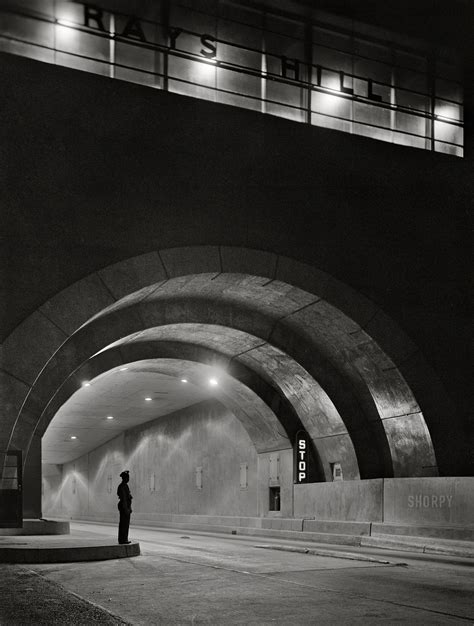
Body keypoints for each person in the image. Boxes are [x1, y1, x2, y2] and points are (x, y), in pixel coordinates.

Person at [117, 470, 133, 544]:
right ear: (124, 478)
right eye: (127, 477)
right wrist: (126, 508)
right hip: (124, 508)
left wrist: (130, 508)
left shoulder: (125, 486)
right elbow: (124, 499)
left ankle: (124, 539)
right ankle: (123, 539)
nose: (128, 479)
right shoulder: (122, 486)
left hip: (126, 507)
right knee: (124, 524)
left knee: (125, 524)